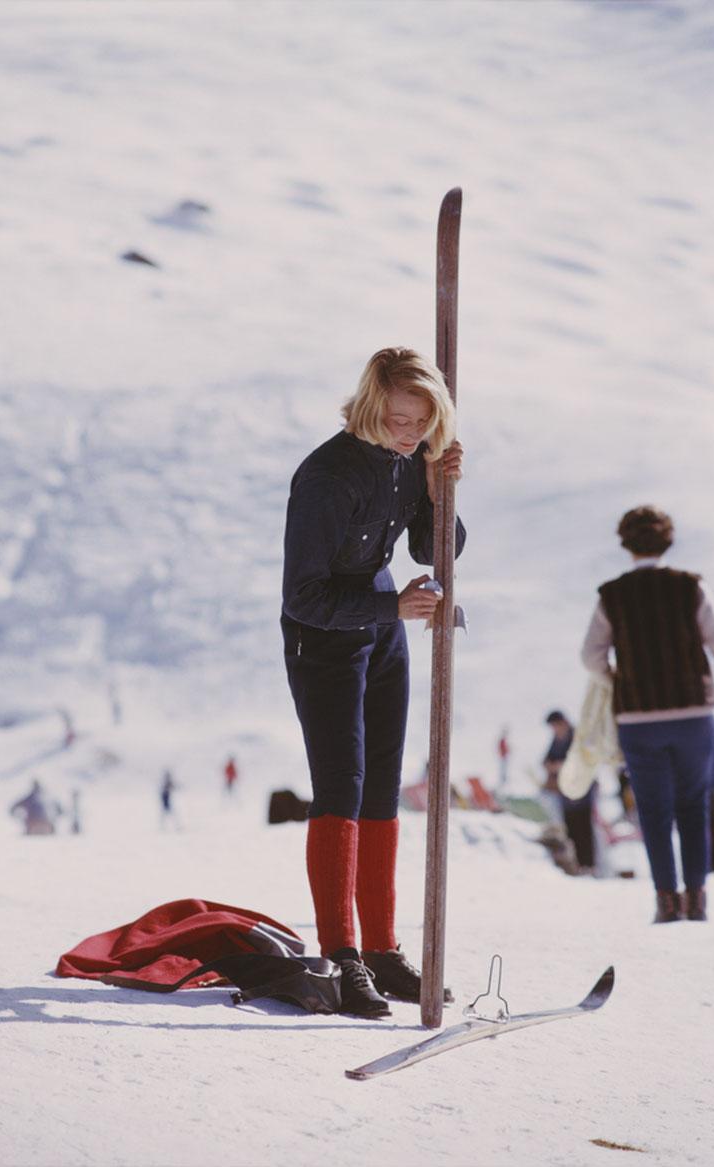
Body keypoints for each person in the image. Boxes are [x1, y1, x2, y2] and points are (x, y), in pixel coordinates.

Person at [281, 346, 465, 1017]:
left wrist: (441, 490)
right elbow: (303, 595)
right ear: (370, 405)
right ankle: (342, 955)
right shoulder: (326, 477)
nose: (409, 431)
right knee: (343, 785)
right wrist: (391, 607)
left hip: (385, 629)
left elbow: (429, 547)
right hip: (325, 637)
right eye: (397, 418)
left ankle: (384, 951)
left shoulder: (409, 460)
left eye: (421, 420)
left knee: (383, 785)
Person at [581, 506, 714, 922]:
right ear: (668, 540)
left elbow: (591, 656)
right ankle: (696, 899)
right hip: (694, 713)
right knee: (693, 805)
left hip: (638, 717)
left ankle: (666, 901)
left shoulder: (612, 595)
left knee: (654, 810)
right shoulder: (689, 587)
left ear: (626, 544)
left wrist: (617, 678)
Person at [542, 710, 597, 873]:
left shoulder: (577, 737)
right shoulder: (556, 740)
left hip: (581, 790)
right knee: (571, 828)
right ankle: (577, 865)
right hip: (565, 792)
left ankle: (589, 865)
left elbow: (584, 759)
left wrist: (561, 765)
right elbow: (546, 759)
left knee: (584, 828)